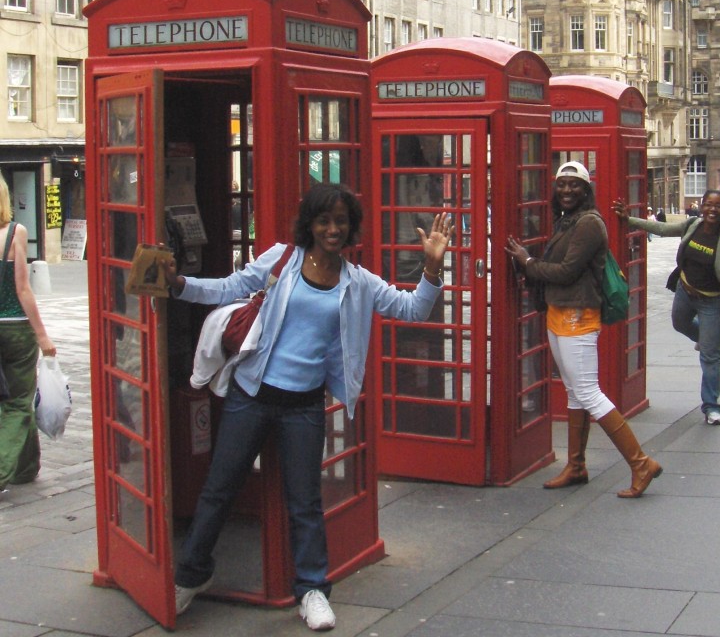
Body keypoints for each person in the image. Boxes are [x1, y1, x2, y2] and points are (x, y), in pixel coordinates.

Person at [165, 183, 453, 631]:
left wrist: (433, 268)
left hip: (303, 405)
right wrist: (177, 285)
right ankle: (191, 575)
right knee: (219, 489)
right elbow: (228, 287)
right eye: (324, 220)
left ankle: (312, 589)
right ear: (310, 224)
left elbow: (412, 309)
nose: (333, 229)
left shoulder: (359, 283)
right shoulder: (282, 260)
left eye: (341, 221)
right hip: (251, 395)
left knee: (305, 501)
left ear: (351, 226)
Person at [506, 162, 662, 498]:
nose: (566, 191)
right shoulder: (567, 220)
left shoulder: (590, 223)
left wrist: (527, 262)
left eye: (574, 185)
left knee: (589, 392)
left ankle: (640, 462)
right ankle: (576, 466)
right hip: (558, 313)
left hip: (579, 315)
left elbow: (566, 271)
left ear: (586, 190)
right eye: (561, 185)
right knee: (575, 392)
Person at [612, 190, 720, 426]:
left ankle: (712, 407)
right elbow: (661, 229)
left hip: (712, 301)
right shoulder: (692, 225)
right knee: (678, 323)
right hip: (685, 291)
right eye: (708, 205)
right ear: (702, 207)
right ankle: (704, 338)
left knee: (710, 357)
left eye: (717, 206)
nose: (712, 210)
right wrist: (628, 219)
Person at [0, 176, 57, 493]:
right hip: (16, 328)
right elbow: (23, 289)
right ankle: (3, 470)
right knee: (20, 402)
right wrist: (42, 336)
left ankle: (26, 467)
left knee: (3, 400)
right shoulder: (14, 233)